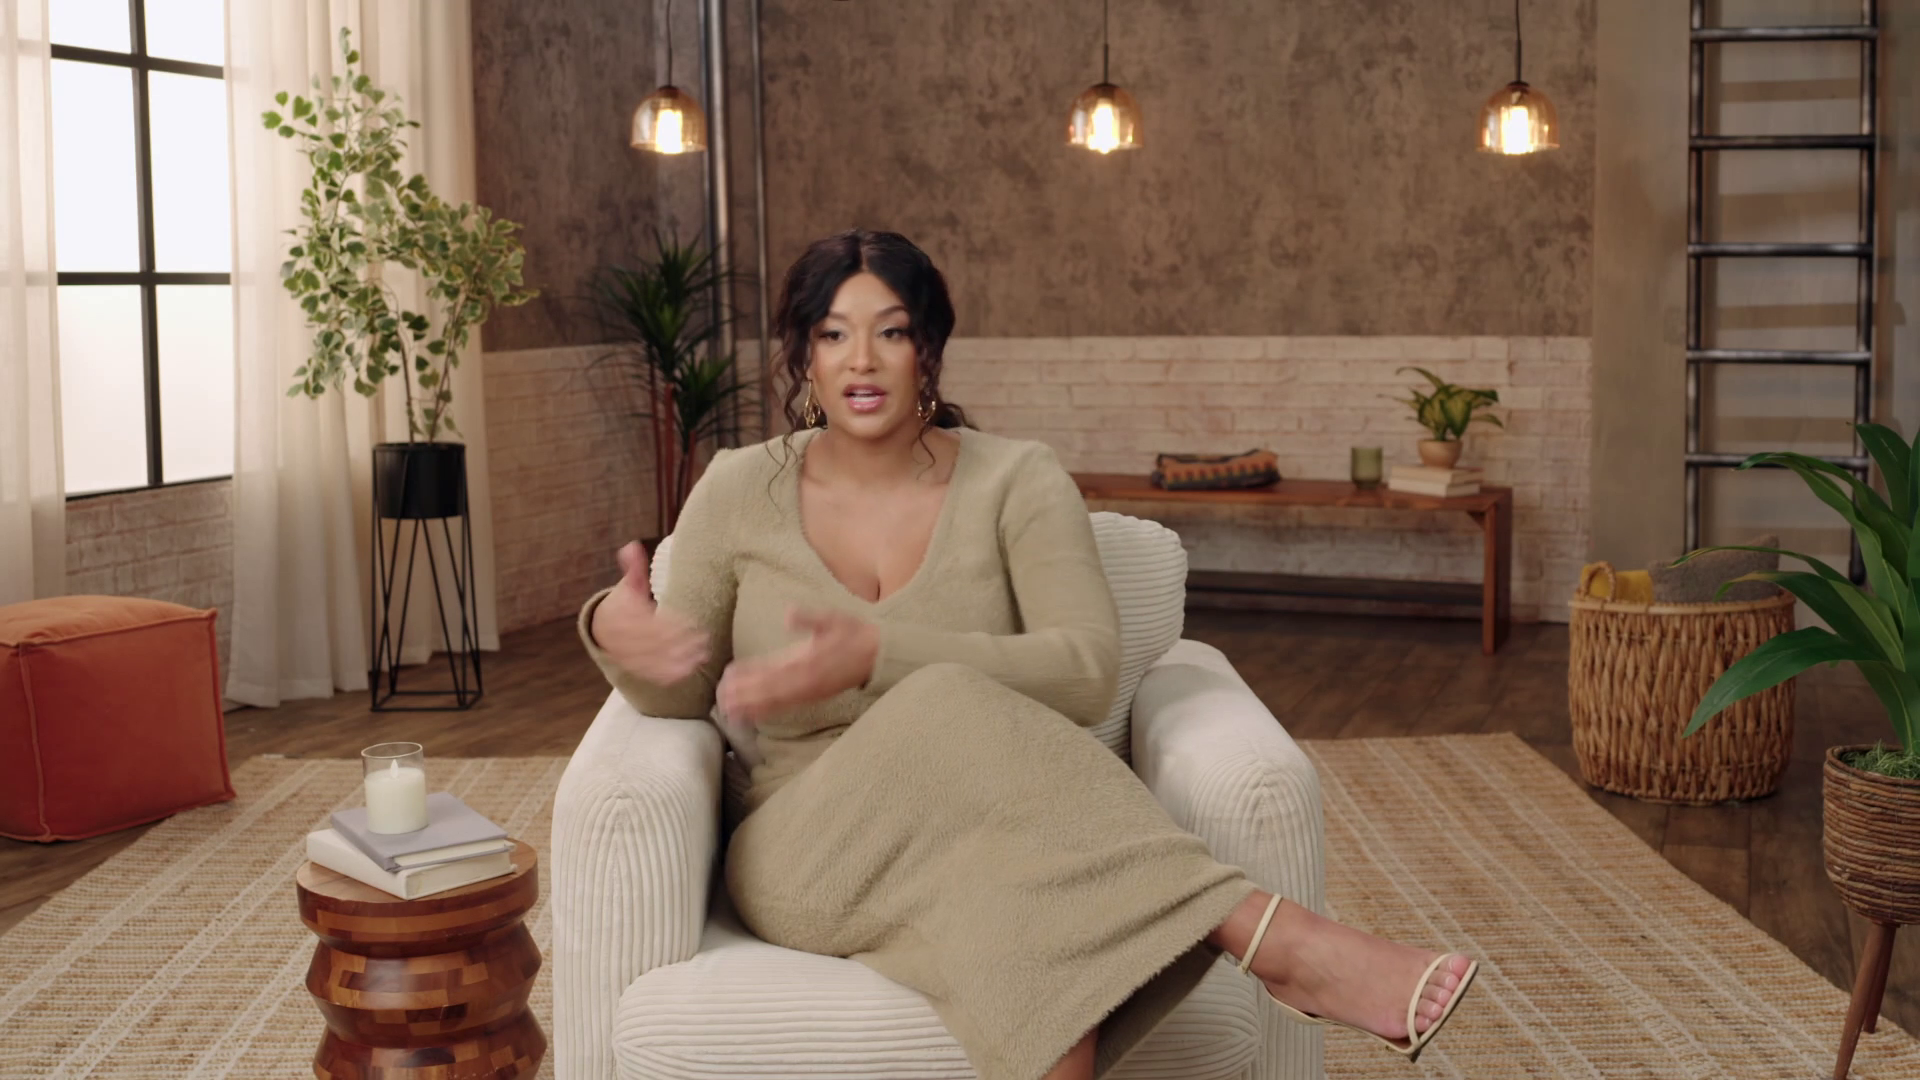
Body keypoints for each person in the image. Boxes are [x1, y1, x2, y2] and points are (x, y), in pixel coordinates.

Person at [579, 229, 1479, 1080]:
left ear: (928, 349)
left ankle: (1273, 948)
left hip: (996, 836)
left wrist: (876, 653)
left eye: (891, 331)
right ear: (803, 355)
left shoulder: (1017, 478)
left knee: (1035, 932)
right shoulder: (739, 487)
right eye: (833, 333)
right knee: (943, 696)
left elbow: (1085, 672)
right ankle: (1274, 938)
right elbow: (679, 696)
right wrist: (615, 633)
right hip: (809, 847)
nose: (861, 360)